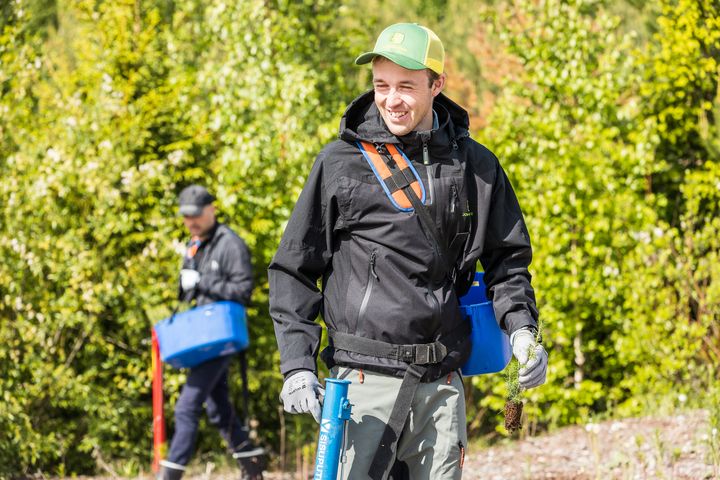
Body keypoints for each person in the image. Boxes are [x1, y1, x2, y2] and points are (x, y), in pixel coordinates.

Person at [269, 23, 548, 480]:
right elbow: (293, 269)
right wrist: (298, 366)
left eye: (405, 86)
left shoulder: (477, 166)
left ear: (437, 85)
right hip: (361, 385)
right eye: (381, 85)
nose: (391, 99)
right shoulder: (340, 163)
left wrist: (522, 330)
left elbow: (507, 261)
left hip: (441, 385)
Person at [159, 185, 265, 480]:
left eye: (195, 215)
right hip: (201, 337)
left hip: (221, 338)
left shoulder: (230, 244)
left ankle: (169, 476)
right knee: (219, 412)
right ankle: (254, 470)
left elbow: (243, 292)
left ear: (211, 209)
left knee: (186, 408)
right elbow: (187, 293)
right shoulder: (195, 245)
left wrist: (202, 281)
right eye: (186, 217)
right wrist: (186, 282)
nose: (190, 222)